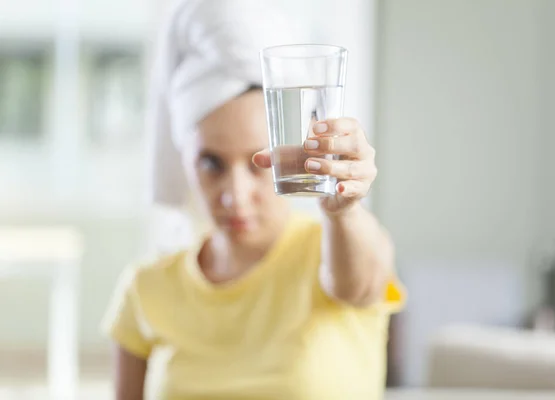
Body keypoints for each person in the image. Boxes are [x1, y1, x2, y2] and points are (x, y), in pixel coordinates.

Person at [102, 0, 406, 399]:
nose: (235, 194)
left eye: (259, 162)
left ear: (292, 153)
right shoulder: (147, 288)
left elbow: (359, 284)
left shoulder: (333, 249)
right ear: (184, 159)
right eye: (212, 162)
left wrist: (343, 210)